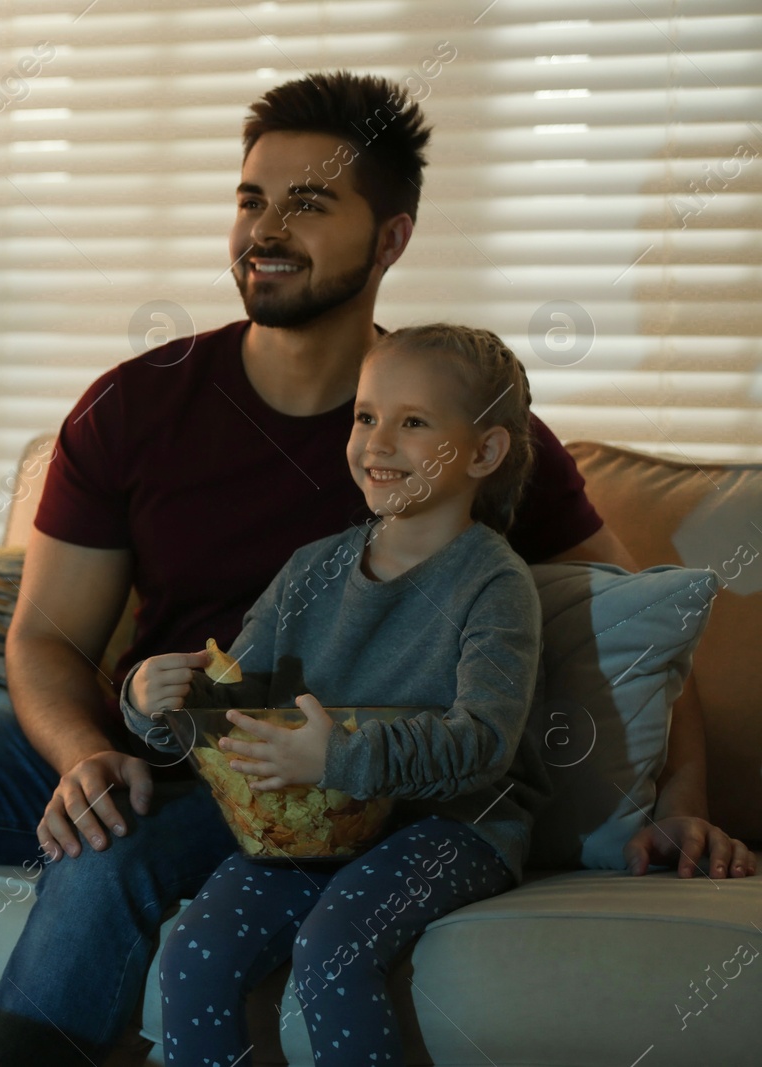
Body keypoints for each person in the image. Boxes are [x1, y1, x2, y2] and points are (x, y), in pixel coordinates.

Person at [0, 71, 754, 1067]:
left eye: (309, 203)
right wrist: (81, 754)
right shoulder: (130, 407)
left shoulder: (457, 431)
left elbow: (629, 626)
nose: (265, 228)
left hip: (304, 771)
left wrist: (679, 809)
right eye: (250, 198)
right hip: (146, 729)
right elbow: (47, 635)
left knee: (102, 861)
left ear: (391, 238)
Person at [123, 323, 549, 1065]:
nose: (377, 442)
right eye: (365, 416)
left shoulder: (495, 583)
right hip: (311, 824)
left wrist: (339, 756)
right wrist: (152, 701)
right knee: (194, 951)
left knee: (333, 946)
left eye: (413, 422)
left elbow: (484, 741)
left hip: (452, 826)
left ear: (483, 452)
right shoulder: (310, 569)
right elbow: (237, 699)